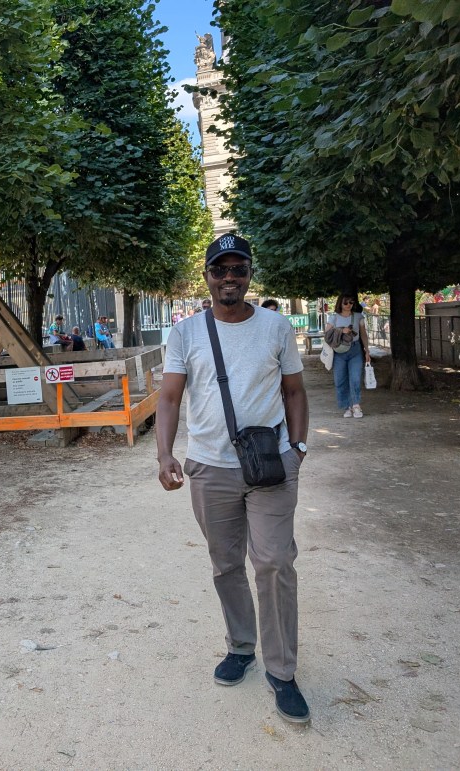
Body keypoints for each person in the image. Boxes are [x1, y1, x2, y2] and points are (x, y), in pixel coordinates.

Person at [156, 233, 311, 724]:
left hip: (271, 464)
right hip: (210, 467)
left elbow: (294, 392)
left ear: (249, 274)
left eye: (238, 269)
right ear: (207, 276)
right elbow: (169, 398)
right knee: (226, 564)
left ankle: (282, 670)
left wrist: (298, 449)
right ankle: (241, 646)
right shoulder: (185, 333)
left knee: (274, 562)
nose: (229, 277)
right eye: (220, 269)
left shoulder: (276, 327)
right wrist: (165, 454)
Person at [324, 293, 370, 418]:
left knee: (355, 378)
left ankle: (356, 405)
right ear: (340, 303)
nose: (348, 305)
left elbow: (363, 334)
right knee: (340, 380)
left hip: (355, 349)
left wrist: (367, 350)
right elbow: (327, 334)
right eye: (345, 302)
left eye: (351, 302)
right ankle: (347, 406)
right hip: (339, 351)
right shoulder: (334, 317)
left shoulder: (358, 316)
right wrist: (341, 330)